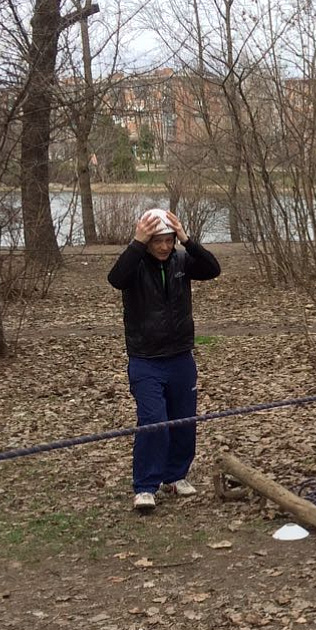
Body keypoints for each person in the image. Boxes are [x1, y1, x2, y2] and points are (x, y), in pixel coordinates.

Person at [108, 209, 221, 512]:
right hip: (146, 359)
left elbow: (213, 269)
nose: (164, 247)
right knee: (154, 421)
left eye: (169, 240)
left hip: (181, 356)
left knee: (184, 420)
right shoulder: (134, 265)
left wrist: (187, 239)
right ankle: (145, 486)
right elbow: (115, 279)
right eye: (157, 241)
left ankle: (176, 476)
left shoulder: (182, 261)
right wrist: (136, 243)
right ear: (147, 241)